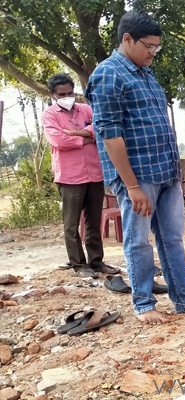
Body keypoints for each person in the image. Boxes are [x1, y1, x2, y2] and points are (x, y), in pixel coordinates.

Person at [85, 11, 185, 323]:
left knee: (171, 238)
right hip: (139, 176)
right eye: (148, 46)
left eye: (157, 47)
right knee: (138, 241)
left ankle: (184, 299)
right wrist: (131, 186)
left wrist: (175, 171)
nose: (153, 53)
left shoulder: (145, 73)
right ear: (127, 39)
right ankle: (144, 303)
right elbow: (110, 134)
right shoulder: (109, 74)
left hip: (166, 172)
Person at [42, 73, 120, 278]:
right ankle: (78, 264)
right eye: (62, 94)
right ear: (53, 95)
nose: (67, 97)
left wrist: (75, 133)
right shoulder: (49, 115)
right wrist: (86, 136)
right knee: (71, 224)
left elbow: (100, 128)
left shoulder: (86, 109)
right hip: (69, 176)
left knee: (93, 221)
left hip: (94, 173)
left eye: (70, 93)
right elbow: (58, 141)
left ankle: (96, 262)